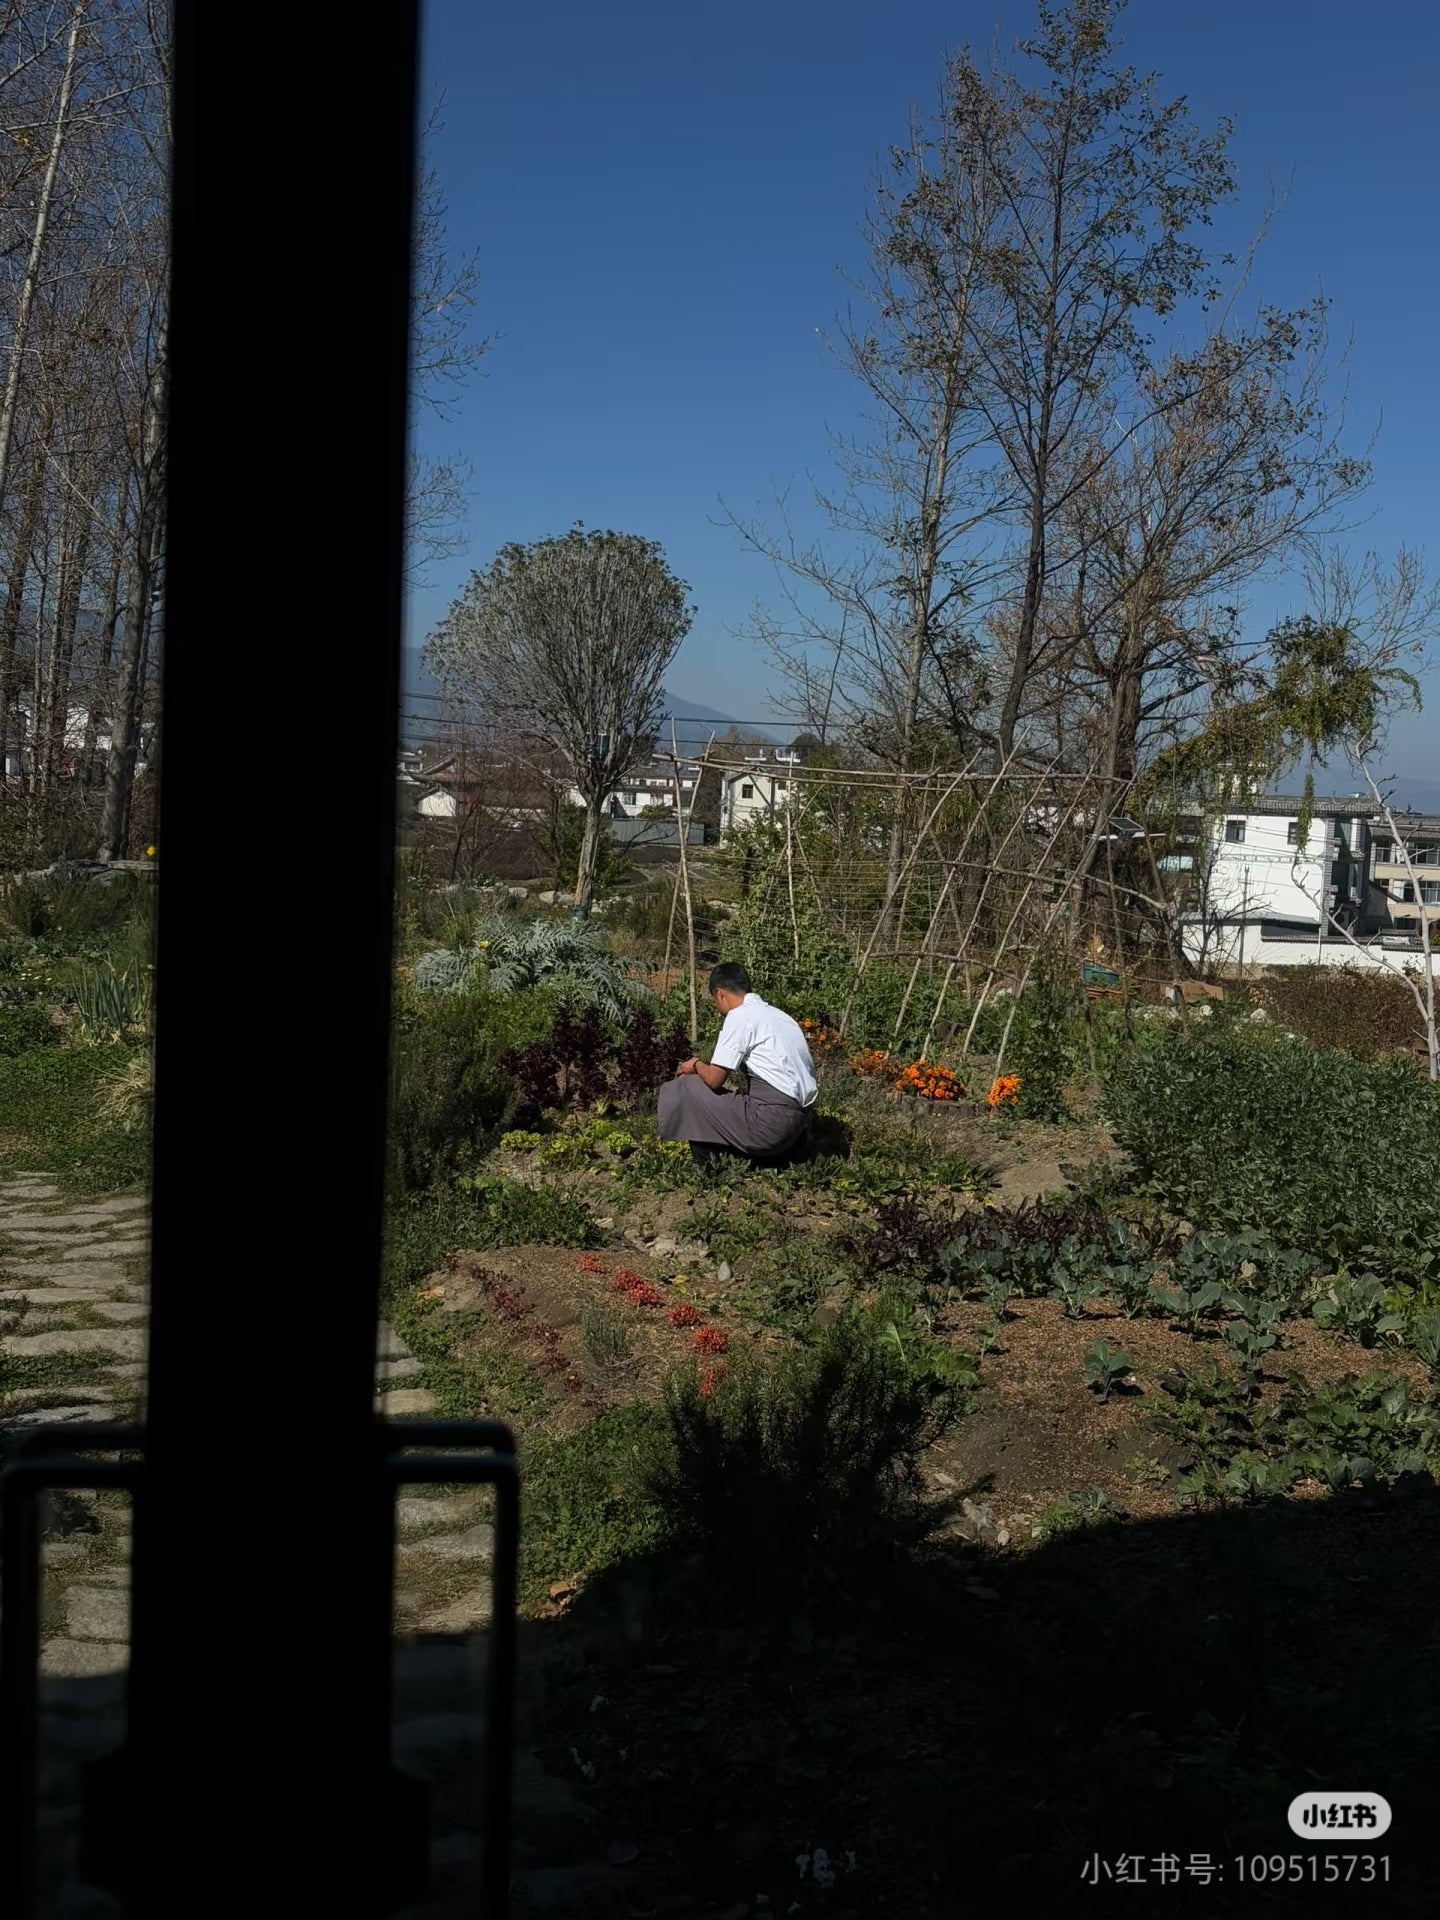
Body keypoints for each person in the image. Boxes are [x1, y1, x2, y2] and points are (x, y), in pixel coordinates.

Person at [657, 962, 818, 1168]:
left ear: (720, 994)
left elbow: (715, 1080)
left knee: (687, 1086)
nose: (718, 1009)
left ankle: (706, 1162)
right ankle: (782, 1154)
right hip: (799, 1125)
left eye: (715, 1001)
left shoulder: (740, 1016)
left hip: (770, 1126)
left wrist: (696, 1064)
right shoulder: (781, 1017)